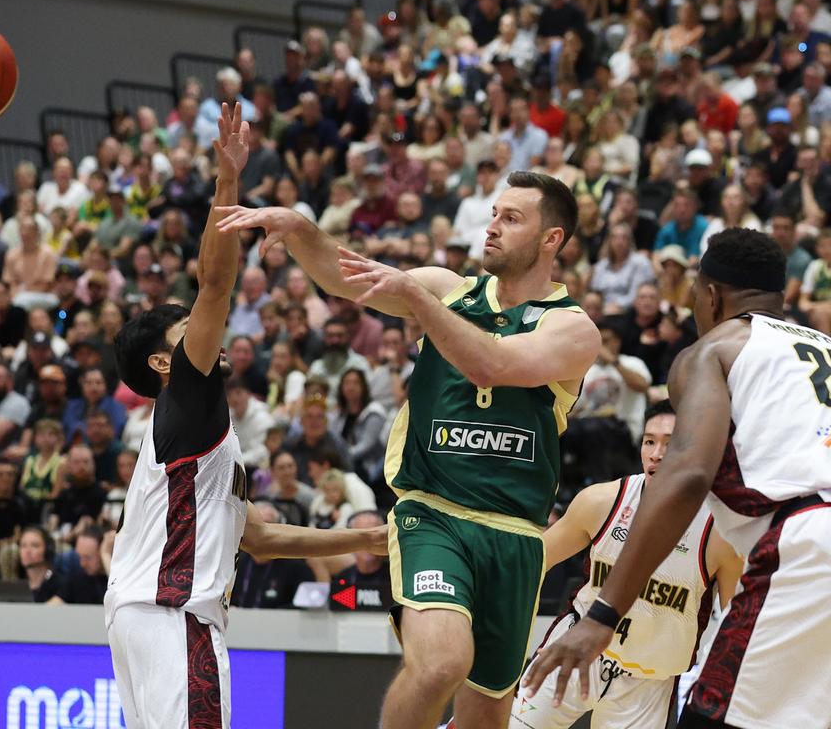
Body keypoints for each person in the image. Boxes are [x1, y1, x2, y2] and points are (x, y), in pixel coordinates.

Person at [216, 170, 599, 728]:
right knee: (441, 664)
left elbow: (492, 363)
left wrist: (417, 298)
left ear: (552, 240)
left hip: (516, 534)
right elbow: (347, 277)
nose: (492, 228)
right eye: (493, 213)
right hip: (432, 514)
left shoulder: (573, 328)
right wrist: (299, 229)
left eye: (511, 219)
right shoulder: (451, 290)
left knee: (487, 715)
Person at [105, 104, 387, 729]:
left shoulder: (194, 439)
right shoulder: (188, 395)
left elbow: (258, 537)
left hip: (142, 619)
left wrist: (369, 538)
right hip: (175, 614)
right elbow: (214, 287)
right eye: (188, 332)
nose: (214, 335)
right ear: (162, 360)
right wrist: (228, 183)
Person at [524, 229, 831, 729]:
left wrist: (604, 614)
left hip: (805, 541)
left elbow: (687, 476)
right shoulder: (823, 350)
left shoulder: (715, 349)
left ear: (711, 294)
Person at [506, 401, 741, 729]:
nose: (656, 454)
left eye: (670, 443)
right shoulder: (601, 501)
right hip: (576, 652)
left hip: (648, 681)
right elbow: (530, 563)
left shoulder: (720, 532)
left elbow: (739, 622)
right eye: (649, 441)